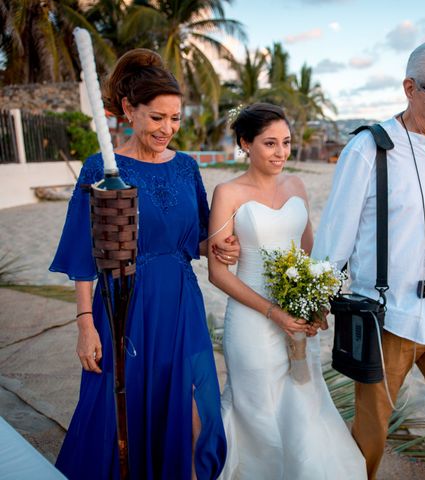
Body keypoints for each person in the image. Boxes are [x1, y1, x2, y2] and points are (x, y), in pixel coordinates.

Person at [312, 39, 425, 480]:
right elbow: (336, 232)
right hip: (385, 315)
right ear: (410, 88)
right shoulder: (369, 148)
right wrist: (315, 297)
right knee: (373, 429)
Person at [50, 48, 236, 479]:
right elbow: (82, 253)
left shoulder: (188, 166)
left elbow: (201, 239)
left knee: (193, 406)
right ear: (129, 111)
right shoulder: (101, 168)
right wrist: (84, 324)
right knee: (122, 412)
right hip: (124, 305)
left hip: (181, 305)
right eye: (157, 118)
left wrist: (222, 245)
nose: (168, 129)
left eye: (175, 119)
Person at [207, 103, 366, 479]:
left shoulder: (296, 185)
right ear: (245, 144)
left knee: (303, 400)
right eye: (270, 144)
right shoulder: (228, 192)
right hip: (252, 320)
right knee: (258, 410)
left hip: (298, 317)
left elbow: (309, 251)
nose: (281, 153)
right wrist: (272, 312)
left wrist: (316, 304)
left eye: (286, 143)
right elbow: (217, 272)